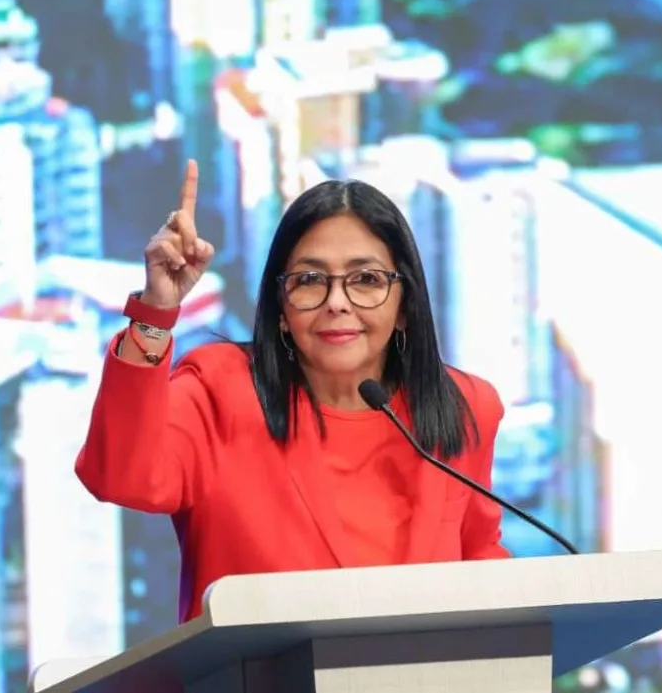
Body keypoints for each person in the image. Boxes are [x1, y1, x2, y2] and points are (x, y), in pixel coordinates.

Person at [76, 160, 509, 623]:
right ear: (281, 308)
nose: (337, 302)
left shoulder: (464, 408)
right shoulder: (220, 389)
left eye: (366, 280)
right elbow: (119, 476)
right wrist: (156, 309)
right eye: (309, 281)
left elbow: (481, 563)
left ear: (405, 306)